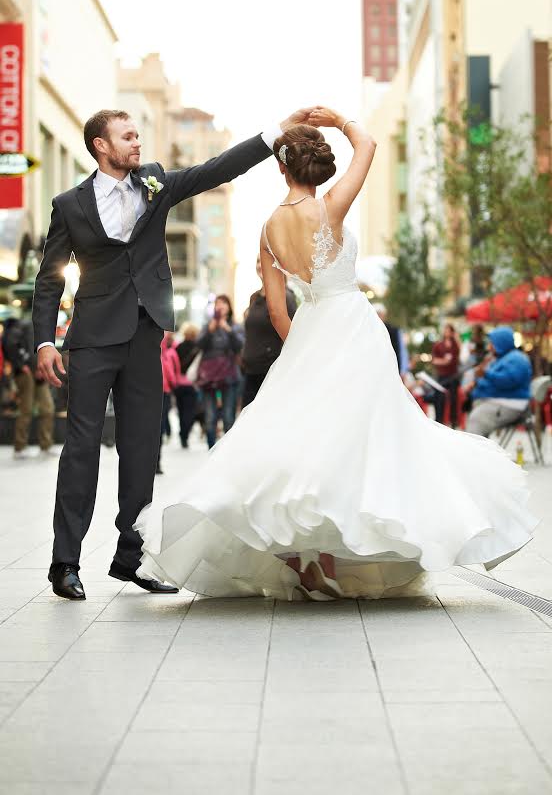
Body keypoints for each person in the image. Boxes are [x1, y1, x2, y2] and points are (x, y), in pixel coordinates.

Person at [135, 109, 538, 602]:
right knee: (362, 438)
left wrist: (304, 348)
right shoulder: (329, 209)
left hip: (311, 329)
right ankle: (340, 546)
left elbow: (278, 311)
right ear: (312, 166)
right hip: (353, 326)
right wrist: (341, 120)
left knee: (306, 437)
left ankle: (307, 555)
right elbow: (367, 146)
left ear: (280, 167)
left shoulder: (267, 230)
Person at [33, 104, 313, 600]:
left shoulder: (156, 184)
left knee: (142, 452)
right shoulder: (69, 205)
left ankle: (130, 558)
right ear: (101, 145)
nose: (137, 143)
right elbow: (49, 278)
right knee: (81, 451)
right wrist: (44, 340)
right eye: (127, 136)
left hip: (145, 337)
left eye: (139, 135)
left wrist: (274, 133)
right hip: (93, 339)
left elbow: (215, 170)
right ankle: (65, 564)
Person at [241, 252, 297, 407]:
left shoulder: (286, 297)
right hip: (250, 373)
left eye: (265, 260)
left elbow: (293, 335)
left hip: (271, 374)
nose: (261, 265)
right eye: (258, 261)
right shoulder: (254, 298)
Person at [2, 316, 55, 459]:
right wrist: (21, 365)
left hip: (36, 371)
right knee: (26, 409)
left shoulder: (33, 326)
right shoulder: (27, 325)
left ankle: (46, 445)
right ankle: (20, 448)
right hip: (26, 373)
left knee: (47, 408)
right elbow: (12, 345)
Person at [466, 326, 532, 437]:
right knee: (475, 414)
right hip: (500, 400)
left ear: (501, 342)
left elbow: (508, 381)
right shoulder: (500, 358)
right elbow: (491, 380)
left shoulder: (517, 359)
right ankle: (480, 450)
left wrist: (485, 374)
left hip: (511, 403)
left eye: (492, 343)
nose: (489, 347)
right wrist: (478, 383)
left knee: (476, 419)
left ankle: (475, 453)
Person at [196, 294, 242, 448]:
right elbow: (199, 344)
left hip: (229, 375)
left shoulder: (235, 326)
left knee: (229, 416)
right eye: (217, 303)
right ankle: (211, 451)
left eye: (223, 303)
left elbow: (239, 346)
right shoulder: (208, 325)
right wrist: (210, 329)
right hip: (209, 377)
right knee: (210, 417)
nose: (220, 306)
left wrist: (227, 329)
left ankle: (227, 452)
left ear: (229, 307)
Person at [157, 333, 180, 474]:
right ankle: (157, 462)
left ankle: (155, 462)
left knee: (156, 428)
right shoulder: (169, 353)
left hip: (157, 391)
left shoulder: (165, 353)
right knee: (159, 428)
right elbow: (173, 374)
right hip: (163, 391)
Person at [174, 323, 200, 448]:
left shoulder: (178, 347)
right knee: (190, 412)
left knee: (181, 410)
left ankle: (182, 433)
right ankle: (184, 433)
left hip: (178, 384)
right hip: (192, 384)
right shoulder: (198, 348)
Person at [431, 323, 460, 428]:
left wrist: (457, 338)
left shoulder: (455, 345)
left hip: (453, 375)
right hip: (442, 375)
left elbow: (458, 356)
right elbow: (434, 360)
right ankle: (439, 420)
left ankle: (454, 421)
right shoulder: (439, 345)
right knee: (439, 398)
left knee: (453, 399)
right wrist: (444, 361)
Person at [373, 304, 408, 377]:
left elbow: (400, 351)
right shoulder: (369, 331)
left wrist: (401, 370)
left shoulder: (393, 331)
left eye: (380, 315)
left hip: (390, 369)